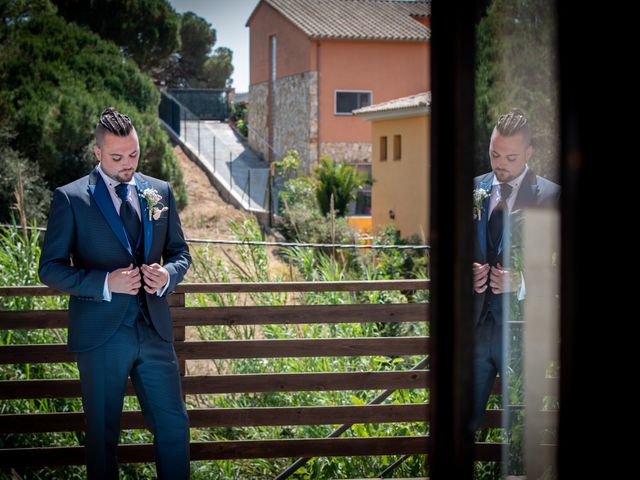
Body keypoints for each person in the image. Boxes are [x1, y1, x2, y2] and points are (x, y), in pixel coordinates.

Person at [39, 107, 191, 479]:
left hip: (154, 331)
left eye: (134, 154)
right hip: (101, 335)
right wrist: (106, 283)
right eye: (117, 157)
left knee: (174, 427)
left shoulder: (160, 191)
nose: (128, 164)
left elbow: (181, 254)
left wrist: (167, 275)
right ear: (97, 153)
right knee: (103, 437)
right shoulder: (71, 198)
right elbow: (50, 269)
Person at [471, 108, 560, 431]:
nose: (500, 164)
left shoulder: (550, 196)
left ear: (529, 153)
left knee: (525, 427)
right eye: (495, 154)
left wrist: (522, 281)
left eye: (510, 157)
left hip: (522, 332)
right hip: (475, 332)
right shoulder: (472, 188)